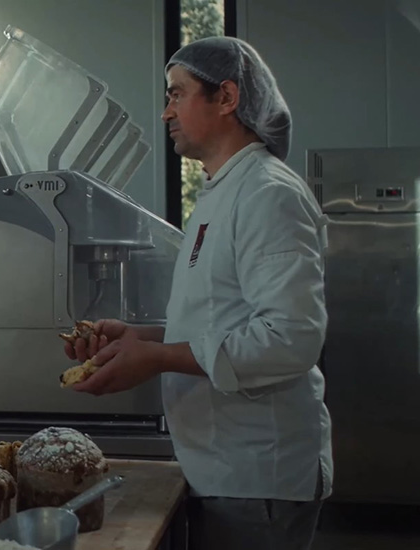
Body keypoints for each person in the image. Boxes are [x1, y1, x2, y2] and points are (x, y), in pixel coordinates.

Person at [64, 37, 331, 550]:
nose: (166, 111)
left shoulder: (267, 194)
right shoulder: (221, 192)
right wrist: (137, 337)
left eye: (177, 94)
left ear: (226, 98)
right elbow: (224, 319)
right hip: (222, 464)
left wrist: (157, 356)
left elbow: (291, 338)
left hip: (258, 473)